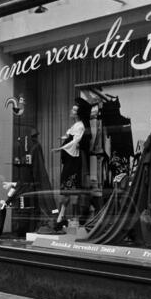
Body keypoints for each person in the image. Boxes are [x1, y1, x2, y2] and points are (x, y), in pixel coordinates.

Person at [51, 97, 92, 230]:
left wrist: (60, 148)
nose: (71, 111)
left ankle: (66, 218)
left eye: (74, 110)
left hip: (73, 161)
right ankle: (61, 217)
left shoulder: (80, 126)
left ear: (78, 113)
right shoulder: (75, 126)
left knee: (69, 189)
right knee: (66, 190)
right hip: (70, 160)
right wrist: (63, 138)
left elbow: (75, 141)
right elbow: (71, 136)